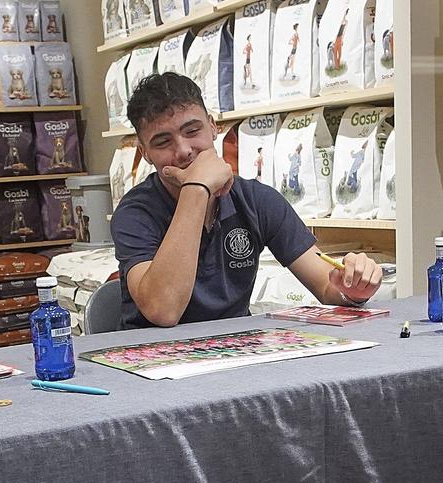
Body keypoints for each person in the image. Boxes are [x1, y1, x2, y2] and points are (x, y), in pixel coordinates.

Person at [112, 73, 383, 329]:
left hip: (235, 355)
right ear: (144, 153)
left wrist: (352, 288)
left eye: (192, 130)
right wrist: (197, 188)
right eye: (162, 142)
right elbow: (164, 310)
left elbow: (326, 285)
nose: (183, 151)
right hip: (152, 363)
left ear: (213, 126)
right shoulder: (134, 213)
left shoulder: (256, 199)